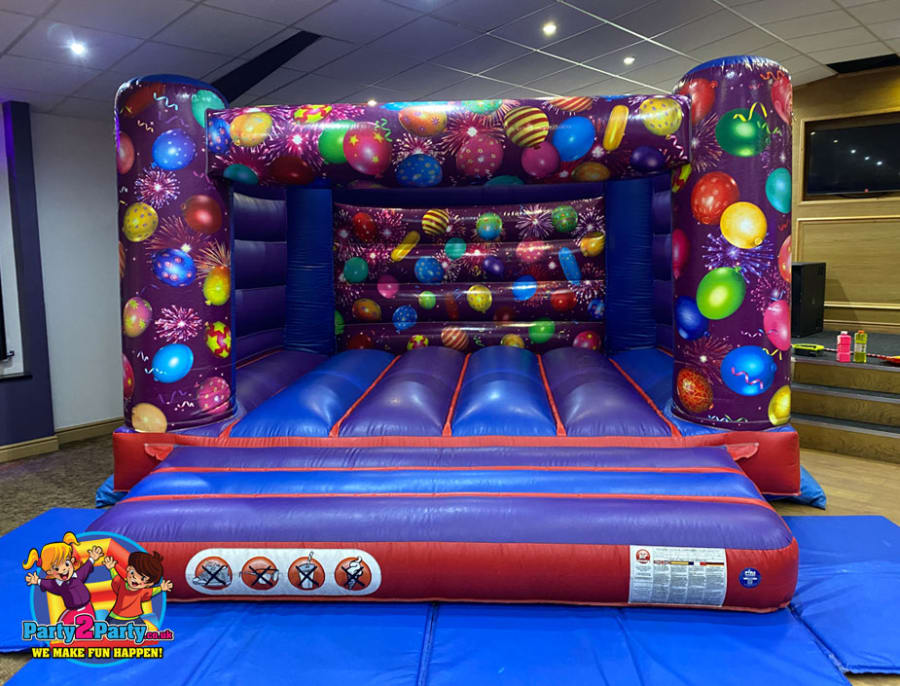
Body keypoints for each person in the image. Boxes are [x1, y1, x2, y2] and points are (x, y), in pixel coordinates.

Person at [24, 532, 103, 624]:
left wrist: (92, 559)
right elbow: (47, 584)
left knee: (89, 626)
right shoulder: (57, 585)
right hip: (72, 611)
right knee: (62, 625)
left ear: (72, 561)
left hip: (88, 608)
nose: (64, 569)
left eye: (66, 564)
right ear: (49, 572)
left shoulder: (77, 576)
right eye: (57, 568)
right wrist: (37, 581)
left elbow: (86, 568)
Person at [103, 551, 172, 626]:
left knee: (143, 629)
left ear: (149, 584)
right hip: (116, 617)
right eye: (132, 573)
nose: (136, 579)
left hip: (134, 618)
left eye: (142, 579)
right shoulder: (121, 584)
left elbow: (153, 591)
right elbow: (115, 577)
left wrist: (162, 588)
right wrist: (111, 568)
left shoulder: (142, 591)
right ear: (128, 569)